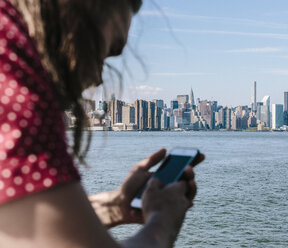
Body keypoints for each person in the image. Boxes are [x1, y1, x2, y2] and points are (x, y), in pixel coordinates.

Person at [0, 0, 205, 247]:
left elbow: (23, 225)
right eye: (106, 51)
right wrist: (162, 219)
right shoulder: (11, 73)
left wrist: (116, 206)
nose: (97, 78)